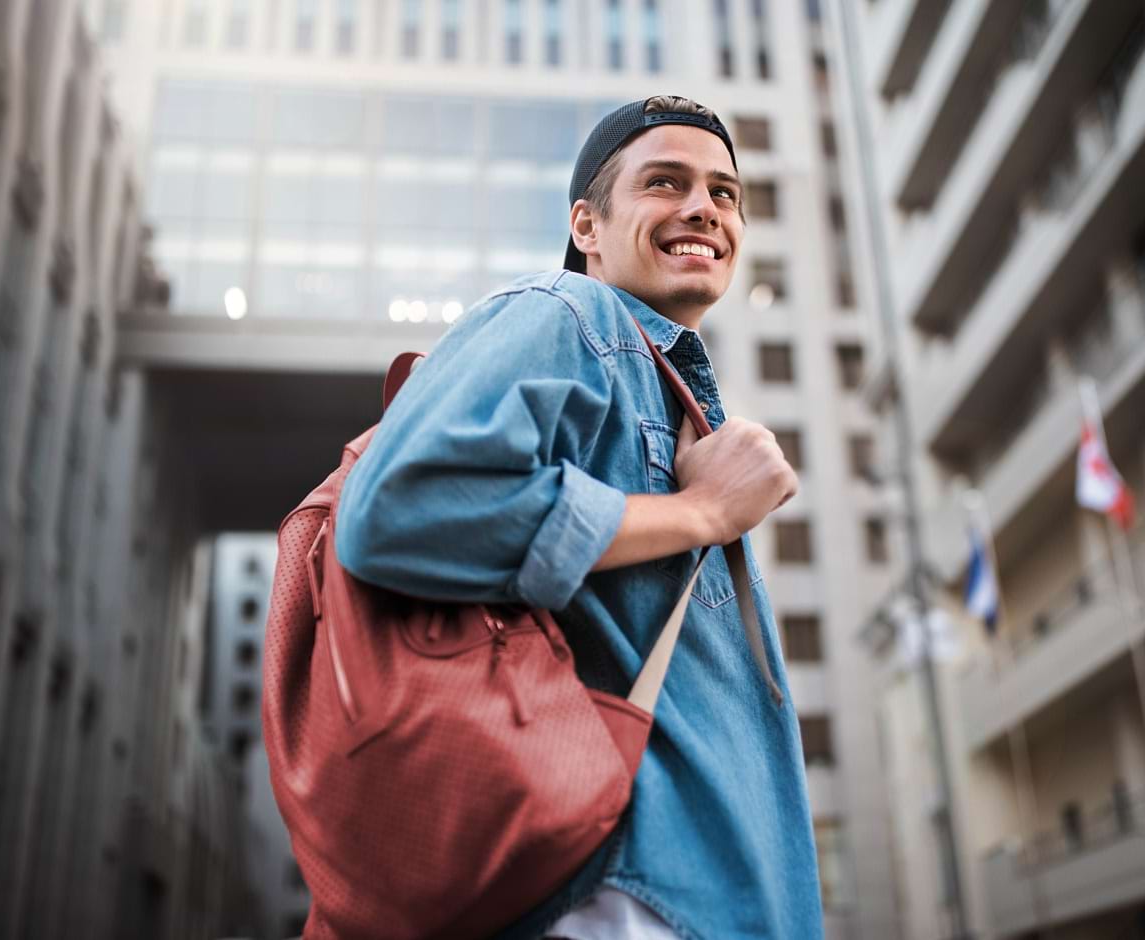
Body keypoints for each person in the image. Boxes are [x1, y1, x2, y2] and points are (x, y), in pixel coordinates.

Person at [335, 96, 823, 940]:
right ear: (587, 226)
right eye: (664, 183)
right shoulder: (567, 313)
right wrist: (700, 511)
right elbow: (398, 511)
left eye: (725, 192)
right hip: (622, 897)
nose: (704, 208)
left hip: (691, 894)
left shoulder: (662, 384)